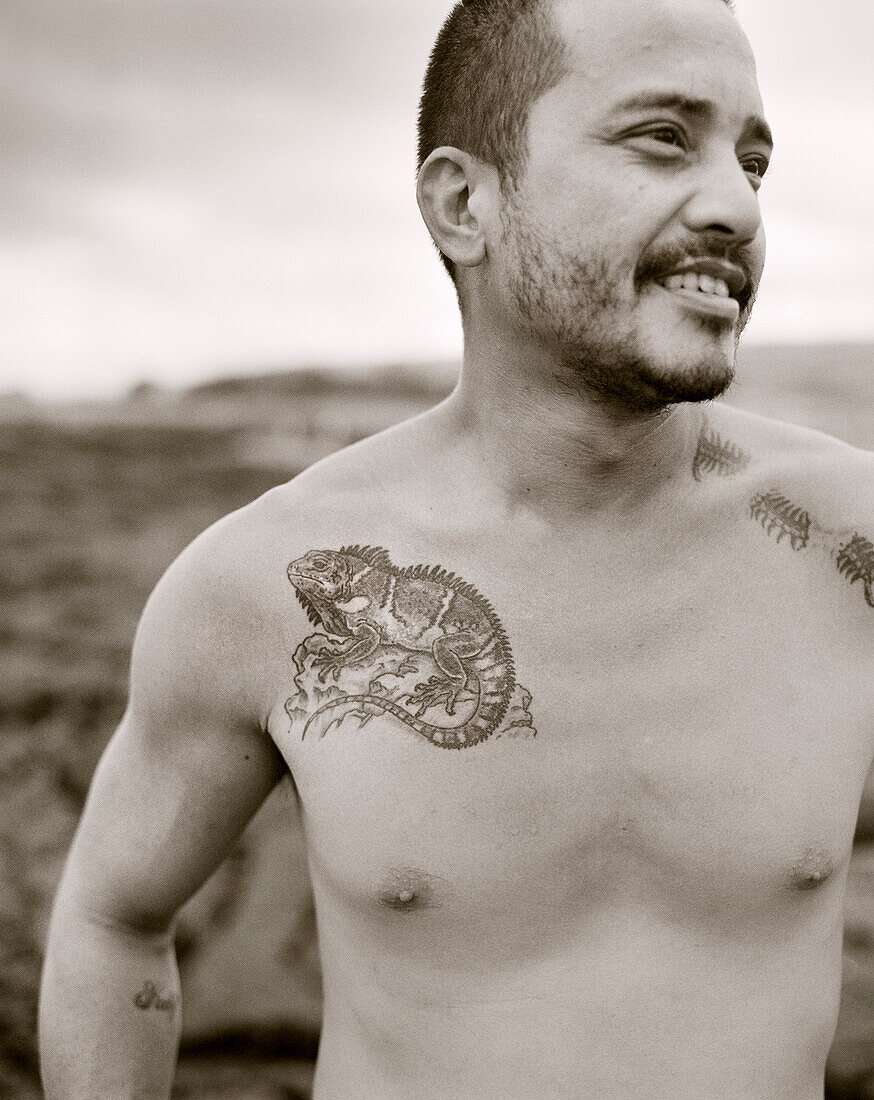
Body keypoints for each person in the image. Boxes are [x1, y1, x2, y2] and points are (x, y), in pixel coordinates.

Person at [39, 0, 874, 1096]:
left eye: (751, 161)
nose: (733, 204)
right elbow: (112, 917)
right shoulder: (267, 585)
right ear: (463, 202)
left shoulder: (845, 545)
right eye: (663, 137)